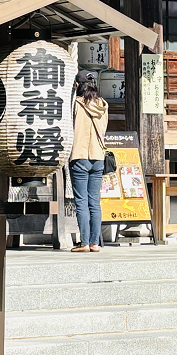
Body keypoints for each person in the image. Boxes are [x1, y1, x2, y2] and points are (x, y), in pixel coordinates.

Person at [69, 70, 108, 253]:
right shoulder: (103, 105)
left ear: (78, 85)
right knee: (95, 201)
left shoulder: (75, 104)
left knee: (82, 201)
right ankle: (95, 243)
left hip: (79, 154)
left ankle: (84, 242)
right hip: (98, 156)